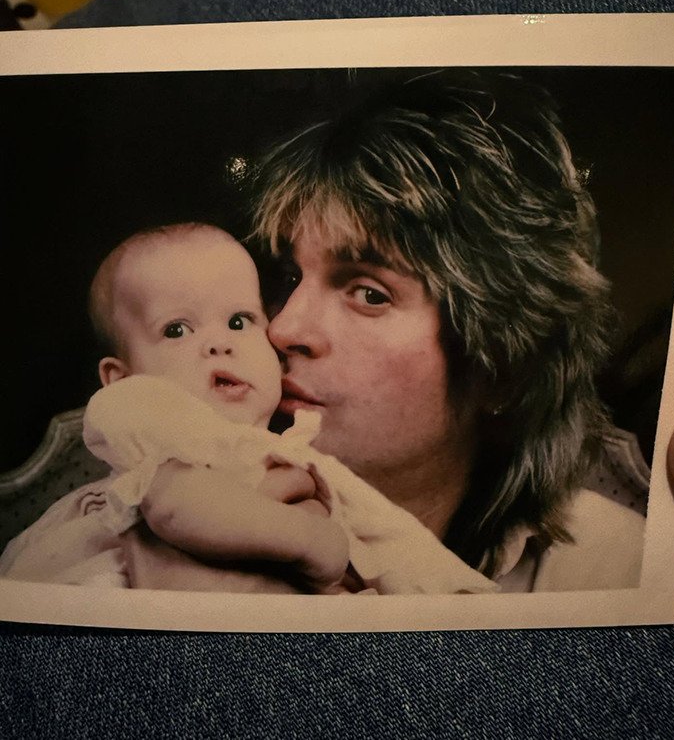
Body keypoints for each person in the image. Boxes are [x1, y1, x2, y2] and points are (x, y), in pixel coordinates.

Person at [122, 69, 649, 593]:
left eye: (369, 293)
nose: (282, 328)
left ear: (503, 370)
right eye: (289, 277)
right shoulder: (154, 508)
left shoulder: (619, 572)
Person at [0, 222, 494, 595]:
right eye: (177, 330)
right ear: (120, 378)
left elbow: (391, 537)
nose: (219, 344)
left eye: (239, 320)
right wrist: (312, 543)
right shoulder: (152, 420)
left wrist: (458, 594)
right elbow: (176, 505)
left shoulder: (296, 454)